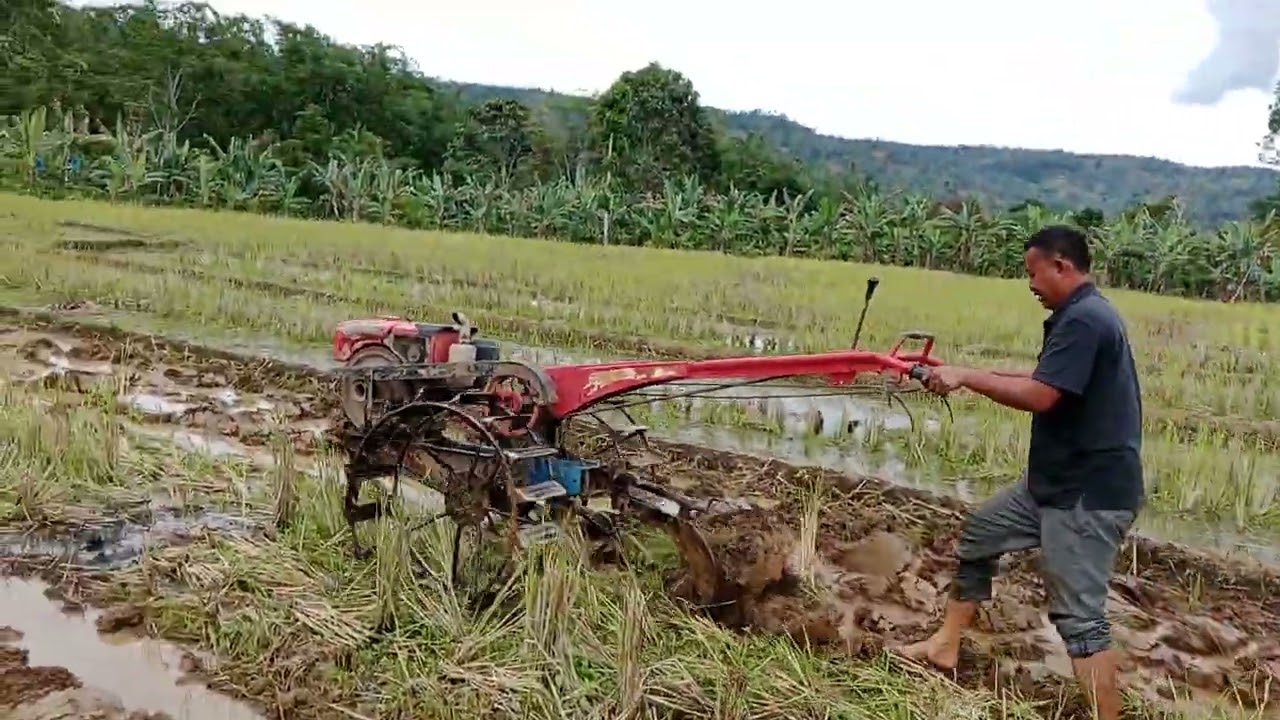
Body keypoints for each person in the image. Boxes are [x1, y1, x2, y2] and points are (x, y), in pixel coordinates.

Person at [895, 225, 1144, 720]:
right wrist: (962, 370)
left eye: (1033, 273)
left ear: (1062, 266)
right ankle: (945, 646)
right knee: (982, 534)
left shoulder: (1086, 321)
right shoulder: (1079, 314)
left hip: (1086, 496)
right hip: (1051, 485)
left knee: (1080, 620)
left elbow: (1041, 395)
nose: (1029, 284)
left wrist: (966, 378)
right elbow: (1042, 377)